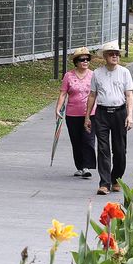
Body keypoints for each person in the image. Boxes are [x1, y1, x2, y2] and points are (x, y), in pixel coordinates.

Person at [86, 42, 133, 195]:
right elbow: (92, 95)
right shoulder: (97, 73)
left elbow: (129, 95)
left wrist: (130, 115)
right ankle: (104, 183)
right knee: (103, 149)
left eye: (117, 54)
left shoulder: (124, 72)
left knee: (120, 150)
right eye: (111, 53)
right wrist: (87, 116)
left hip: (119, 113)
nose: (115, 56)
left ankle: (116, 179)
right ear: (105, 56)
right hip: (101, 113)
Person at [55, 46, 96, 178]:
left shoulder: (93, 75)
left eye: (87, 59)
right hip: (72, 114)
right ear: (76, 62)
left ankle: (86, 167)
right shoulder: (69, 76)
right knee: (76, 140)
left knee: (88, 140)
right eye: (82, 59)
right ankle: (79, 166)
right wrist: (58, 108)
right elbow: (63, 94)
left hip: (90, 114)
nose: (85, 61)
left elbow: (97, 93)